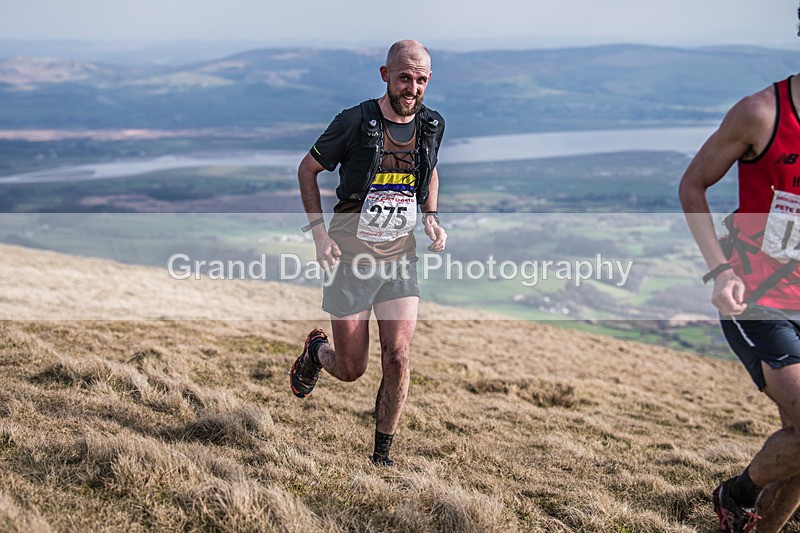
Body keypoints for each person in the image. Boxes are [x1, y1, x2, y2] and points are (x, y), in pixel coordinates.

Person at [291, 40, 447, 467]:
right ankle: (316, 354)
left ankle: (382, 456)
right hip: (351, 259)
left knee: (397, 355)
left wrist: (430, 216)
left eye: (420, 79)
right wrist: (319, 235)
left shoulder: (432, 125)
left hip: (400, 258)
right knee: (351, 368)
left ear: (428, 80)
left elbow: (429, 170)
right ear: (385, 75)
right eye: (404, 78)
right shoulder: (355, 121)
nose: (411, 87)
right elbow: (308, 168)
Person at [679, 13, 800, 531]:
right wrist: (720, 270)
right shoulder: (761, 113)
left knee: (798, 437)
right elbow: (693, 186)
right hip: (759, 297)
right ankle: (736, 494)